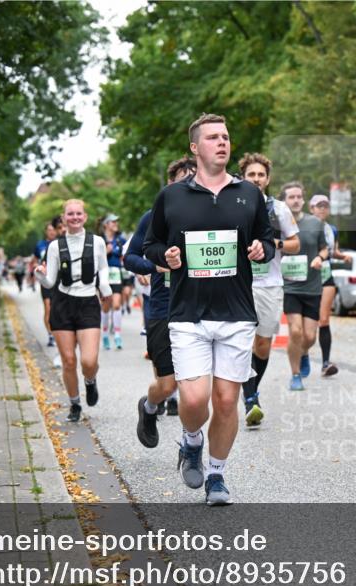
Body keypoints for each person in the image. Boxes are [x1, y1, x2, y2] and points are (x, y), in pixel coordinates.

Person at [144, 113, 274, 506]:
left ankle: (216, 475)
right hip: (187, 315)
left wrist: (260, 250)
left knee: (226, 401)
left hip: (236, 313)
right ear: (194, 147)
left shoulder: (249, 195)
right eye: (213, 137)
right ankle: (191, 440)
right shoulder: (172, 197)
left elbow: (267, 242)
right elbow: (150, 246)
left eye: (226, 137)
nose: (222, 143)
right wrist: (165, 256)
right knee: (196, 400)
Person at [126, 156, 196, 448]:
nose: (188, 185)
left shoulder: (208, 215)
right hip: (163, 308)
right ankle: (149, 407)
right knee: (167, 385)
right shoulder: (154, 215)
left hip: (197, 309)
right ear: (170, 184)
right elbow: (129, 257)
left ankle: (191, 445)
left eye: (192, 180)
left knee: (194, 389)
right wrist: (154, 267)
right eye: (182, 180)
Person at [35, 199, 113, 422]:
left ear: (85, 217)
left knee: (88, 361)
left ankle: (90, 381)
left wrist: (104, 285)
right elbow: (49, 282)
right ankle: (75, 404)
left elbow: (103, 267)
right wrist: (40, 275)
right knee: (69, 360)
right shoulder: (54, 246)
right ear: (64, 218)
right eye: (70, 214)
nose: (75, 217)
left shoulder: (97, 242)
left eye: (79, 214)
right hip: (63, 303)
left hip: (88, 302)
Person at [237, 153, 300, 427]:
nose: (256, 179)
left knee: (262, 344)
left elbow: (296, 244)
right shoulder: (233, 205)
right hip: (238, 284)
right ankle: (251, 398)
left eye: (261, 175)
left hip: (270, 284)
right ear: (243, 177)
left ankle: (252, 388)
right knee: (240, 341)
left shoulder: (279, 209)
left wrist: (275, 244)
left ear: (268, 179)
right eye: (251, 174)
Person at [279, 182, 328, 391]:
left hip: (312, 287)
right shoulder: (278, 224)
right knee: (296, 332)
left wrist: (319, 257)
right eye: (291, 197)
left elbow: (325, 249)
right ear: (284, 201)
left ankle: (304, 352)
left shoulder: (315, 223)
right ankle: (295, 374)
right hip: (290, 287)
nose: (296, 200)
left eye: (299, 196)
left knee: (309, 337)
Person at [308, 194, 348, 377]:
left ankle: (325, 363)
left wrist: (343, 257)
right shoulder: (303, 226)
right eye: (318, 206)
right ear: (311, 208)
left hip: (326, 274)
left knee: (324, 319)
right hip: (307, 276)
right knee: (305, 325)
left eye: (325, 206)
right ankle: (301, 356)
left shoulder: (332, 229)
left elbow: (334, 251)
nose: (322, 209)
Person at [100, 213, 127, 350]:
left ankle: (117, 335)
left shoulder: (120, 240)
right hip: (104, 275)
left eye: (117, 221)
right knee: (106, 306)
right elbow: (94, 259)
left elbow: (126, 256)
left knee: (116, 304)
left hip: (116, 275)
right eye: (113, 222)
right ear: (106, 224)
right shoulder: (99, 240)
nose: (116, 224)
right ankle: (104, 335)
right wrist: (105, 251)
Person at [34, 219, 60, 347]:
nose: (51, 232)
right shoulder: (40, 245)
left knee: (56, 309)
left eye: (53, 230)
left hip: (57, 280)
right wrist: (37, 269)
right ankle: (50, 335)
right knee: (48, 308)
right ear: (46, 232)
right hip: (45, 279)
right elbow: (35, 260)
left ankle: (57, 333)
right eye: (49, 230)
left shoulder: (59, 243)